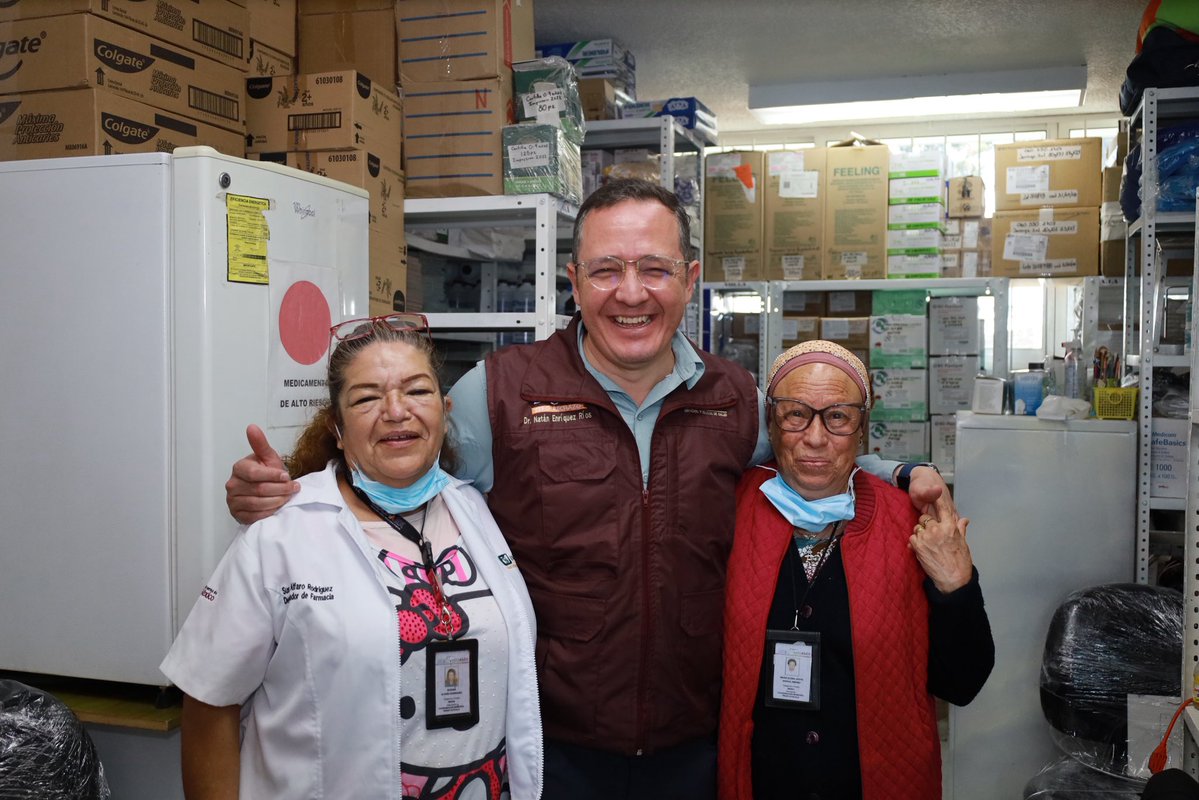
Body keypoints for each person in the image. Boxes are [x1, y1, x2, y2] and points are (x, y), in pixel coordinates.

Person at [224, 179, 955, 800]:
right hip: (547, 744)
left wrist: (895, 471)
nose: (630, 294)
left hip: (696, 744)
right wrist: (287, 490)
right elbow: (393, 470)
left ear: (690, 279)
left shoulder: (733, 400)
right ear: (571, 282)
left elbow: (811, 452)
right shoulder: (499, 394)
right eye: (605, 270)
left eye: (653, 269)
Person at [161, 314, 542, 800]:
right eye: (366, 398)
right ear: (337, 429)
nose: (396, 411)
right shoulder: (281, 534)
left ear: (445, 411)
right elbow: (209, 700)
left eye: (417, 391)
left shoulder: (474, 508)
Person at [718, 340, 995, 800]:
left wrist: (956, 585)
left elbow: (962, 683)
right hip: (760, 779)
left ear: (863, 426)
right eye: (795, 414)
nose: (816, 437)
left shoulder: (910, 522)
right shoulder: (730, 510)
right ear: (771, 421)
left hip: (876, 782)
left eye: (838, 416)